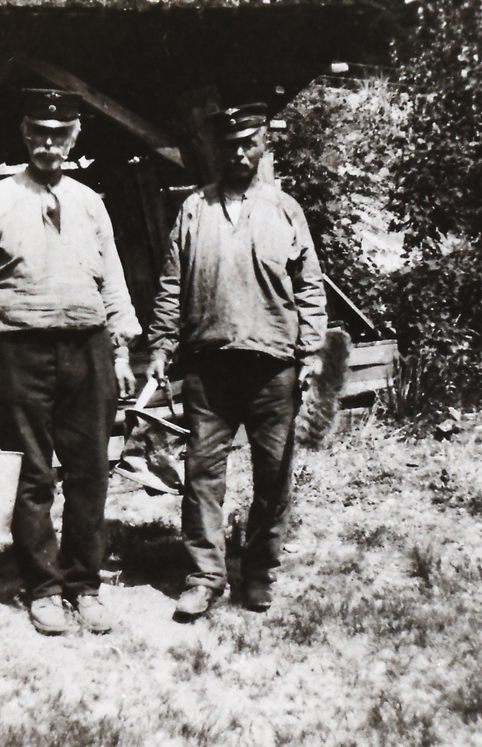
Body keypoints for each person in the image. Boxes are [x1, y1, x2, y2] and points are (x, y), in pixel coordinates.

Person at [0, 89, 141, 636]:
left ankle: (84, 583)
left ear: (75, 137)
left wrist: (122, 347)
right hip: (20, 352)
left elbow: (114, 282)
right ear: (25, 134)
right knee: (31, 476)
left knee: (90, 474)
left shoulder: (89, 203)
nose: (49, 144)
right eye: (39, 133)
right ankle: (43, 588)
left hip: (87, 350)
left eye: (60, 135)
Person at [146, 102, 327, 621]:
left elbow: (310, 287)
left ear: (264, 144)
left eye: (249, 142)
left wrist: (311, 352)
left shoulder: (285, 209)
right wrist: (160, 344)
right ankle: (205, 576)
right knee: (202, 473)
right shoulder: (193, 209)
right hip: (209, 366)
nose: (240, 152)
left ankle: (259, 571)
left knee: (273, 474)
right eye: (231, 144)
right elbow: (170, 284)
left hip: (274, 365)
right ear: (218, 150)